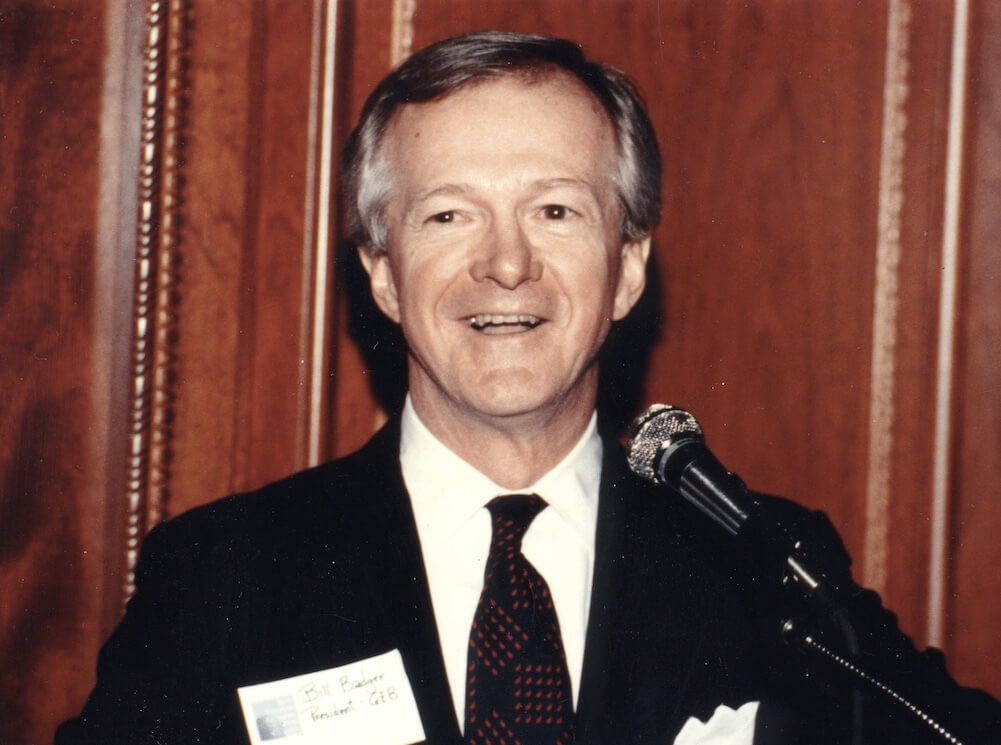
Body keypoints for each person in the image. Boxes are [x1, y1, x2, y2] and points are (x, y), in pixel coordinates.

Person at [57, 31, 1000, 745]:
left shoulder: (762, 564)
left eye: (554, 210)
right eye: (448, 213)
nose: (505, 264)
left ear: (626, 266)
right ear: (383, 273)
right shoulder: (225, 572)